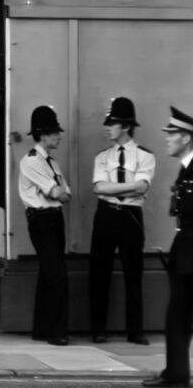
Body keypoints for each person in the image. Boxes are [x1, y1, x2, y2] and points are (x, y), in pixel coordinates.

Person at [88, 97, 155, 345]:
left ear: (125, 126)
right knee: (99, 272)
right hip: (106, 214)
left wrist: (113, 188)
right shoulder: (102, 157)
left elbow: (142, 187)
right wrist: (128, 188)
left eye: (112, 123)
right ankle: (98, 328)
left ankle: (135, 331)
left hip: (130, 217)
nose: (108, 127)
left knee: (133, 273)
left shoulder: (145, 156)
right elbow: (98, 188)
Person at [143, 106, 193, 388]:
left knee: (179, 314)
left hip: (190, 252)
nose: (167, 138)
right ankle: (176, 373)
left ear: (186, 138)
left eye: (172, 134)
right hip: (185, 251)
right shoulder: (185, 170)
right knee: (177, 315)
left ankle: (177, 374)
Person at [18, 105, 71, 346]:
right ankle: (56, 332)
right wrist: (56, 193)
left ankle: (42, 329)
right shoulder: (31, 162)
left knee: (48, 274)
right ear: (43, 134)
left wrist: (57, 193)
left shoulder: (52, 163)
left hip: (54, 218)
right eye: (54, 132)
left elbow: (65, 194)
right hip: (42, 219)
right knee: (57, 275)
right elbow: (57, 192)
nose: (59, 136)